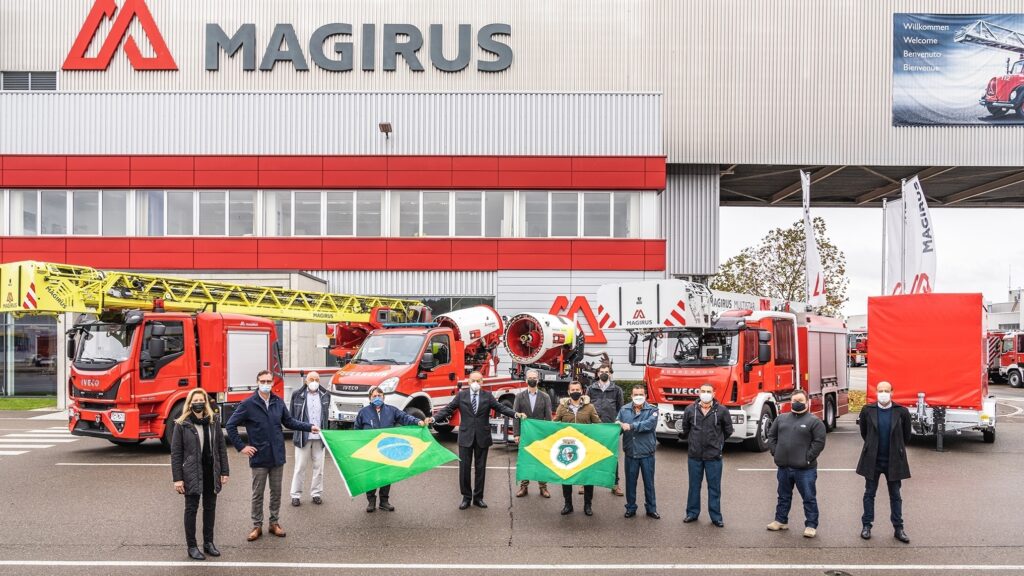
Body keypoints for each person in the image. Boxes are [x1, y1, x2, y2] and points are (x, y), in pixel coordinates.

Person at [226, 370, 316, 542]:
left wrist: (309, 426)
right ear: (257, 382)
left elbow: (289, 422)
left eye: (269, 381)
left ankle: (274, 523)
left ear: (273, 383)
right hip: (259, 457)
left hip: (277, 456)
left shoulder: (278, 402)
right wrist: (242, 447)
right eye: (263, 381)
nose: (266, 384)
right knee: (257, 493)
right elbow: (230, 425)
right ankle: (257, 525)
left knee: (276, 492)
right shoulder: (248, 404)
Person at [426, 371, 525, 510]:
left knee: (481, 469)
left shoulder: (488, 396)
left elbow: (501, 408)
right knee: (464, 469)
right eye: (473, 380)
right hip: (465, 437)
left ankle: (478, 498)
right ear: (468, 381)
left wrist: (516, 414)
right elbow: (448, 409)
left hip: (482, 437)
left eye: (479, 381)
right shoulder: (461, 395)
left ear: (483, 382)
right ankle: (466, 497)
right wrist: (434, 418)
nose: (476, 383)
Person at [171, 388, 229, 561]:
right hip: (191, 472)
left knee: (210, 508)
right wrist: (177, 478)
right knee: (191, 509)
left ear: (205, 402)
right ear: (190, 403)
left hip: (211, 470)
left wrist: (224, 471)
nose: (198, 403)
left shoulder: (213, 421)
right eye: (195, 400)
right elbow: (176, 454)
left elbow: (221, 448)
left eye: (201, 400)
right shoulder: (182, 424)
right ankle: (192, 546)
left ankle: (208, 543)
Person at [354, 386, 428, 512]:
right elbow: (357, 431)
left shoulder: (392, 410)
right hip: (370, 450)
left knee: (386, 475)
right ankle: (371, 501)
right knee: (371, 476)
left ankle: (384, 501)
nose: (377, 398)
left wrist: (417, 422)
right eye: (374, 396)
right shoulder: (363, 412)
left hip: (386, 449)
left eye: (380, 396)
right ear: (370, 398)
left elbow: (405, 417)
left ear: (384, 397)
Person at [766, 390, 826, 538]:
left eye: (800, 400)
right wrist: (776, 452)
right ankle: (781, 520)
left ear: (807, 402)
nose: (797, 403)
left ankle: (811, 525)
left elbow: (819, 443)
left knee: (809, 497)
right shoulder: (781, 419)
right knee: (783, 496)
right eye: (794, 400)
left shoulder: (814, 421)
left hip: (805, 469)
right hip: (784, 467)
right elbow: (771, 436)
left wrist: (807, 458)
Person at [857, 381, 912, 543]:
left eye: (886, 391)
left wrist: (897, 450)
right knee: (869, 494)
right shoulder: (868, 410)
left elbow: (906, 436)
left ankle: (898, 528)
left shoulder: (901, 412)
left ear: (892, 392)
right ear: (876, 392)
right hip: (872, 461)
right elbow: (864, 432)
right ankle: (866, 526)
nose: (883, 393)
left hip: (894, 461)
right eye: (880, 390)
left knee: (895, 495)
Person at [680, 383, 734, 527]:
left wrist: (718, 443)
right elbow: (685, 429)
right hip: (694, 456)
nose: (705, 394)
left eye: (708, 391)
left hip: (714, 456)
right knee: (694, 486)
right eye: (703, 391)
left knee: (714, 488)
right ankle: (692, 513)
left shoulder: (722, 411)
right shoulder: (690, 410)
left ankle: (716, 517)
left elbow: (728, 430)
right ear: (698, 393)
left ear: (714, 393)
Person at [553, 380, 602, 516]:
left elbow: (598, 424)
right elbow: (554, 424)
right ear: (569, 392)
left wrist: (610, 429)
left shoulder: (589, 407)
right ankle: (568, 504)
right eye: (572, 390)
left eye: (577, 390)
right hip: (567, 448)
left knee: (587, 477)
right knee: (566, 476)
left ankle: (588, 505)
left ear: (582, 391)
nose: (575, 392)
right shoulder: (562, 408)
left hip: (585, 448)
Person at [616, 384, 660, 519]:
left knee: (649, 483)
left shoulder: (653, 410)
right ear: (631, 396)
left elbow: (649, 425)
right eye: (636, 395)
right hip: (631, 453)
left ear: (645, 396)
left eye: (641, 394)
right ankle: (630, 507)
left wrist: (631, 426)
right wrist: (616, 424)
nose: (638, 397)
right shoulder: (624, 410)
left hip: (647, 453)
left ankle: (651, 508)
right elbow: (618, 425)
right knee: (630, 483)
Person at [289, 371, 330, 507]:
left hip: (319, 437)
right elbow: (291, 417)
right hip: (303, 436)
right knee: (300, 467)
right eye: (311, 379)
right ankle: (295, 495)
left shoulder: (325, 395)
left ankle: (316, 493)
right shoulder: (297, 395)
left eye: (317, 379)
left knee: (319, 467)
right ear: (306, 381)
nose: (314, 381)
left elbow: (327, 416)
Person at [513, 369, 553, 498]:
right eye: (530, 377)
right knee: (525, 460)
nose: (532, 379)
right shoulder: (519, 397)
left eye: (534, 377)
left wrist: (548, 435)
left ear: (538, 379)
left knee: (541, 461)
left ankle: (543, 487)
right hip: (525, 435)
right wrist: (516, 434)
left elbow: (548, 418)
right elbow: (516, 417)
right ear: (526, 380)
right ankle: (524, 487)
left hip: (540, 435)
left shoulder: (545, 397)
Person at [586, 364, 624, 496]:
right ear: (597, 373)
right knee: (589, 455)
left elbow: (621, 409)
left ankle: (615, 484)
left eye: (606, 372)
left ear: (610, 373)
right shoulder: (590, 389)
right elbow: (586, 407)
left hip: (609, 428)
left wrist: (618, 426)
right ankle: (585, 482)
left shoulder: (617, 390)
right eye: (601, 371)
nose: (604, 373)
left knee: (612, 456)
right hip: (594, 427)